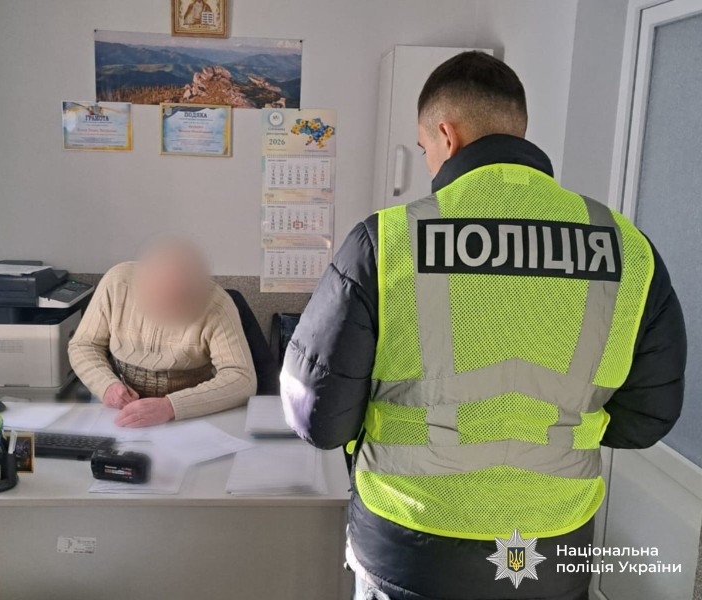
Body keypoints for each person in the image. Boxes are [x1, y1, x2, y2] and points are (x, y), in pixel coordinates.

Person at [280, 52, 686, 600]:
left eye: (423, 148)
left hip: (411, 543)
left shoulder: (388, 241)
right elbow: (646, 419)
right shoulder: (627, 248)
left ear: (446, 136)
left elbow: (319, 417)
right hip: (551, 546)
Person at [69, 239, 257, 428]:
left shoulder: (218, 305)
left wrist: (171, 406)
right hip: (119, 411)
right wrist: (107, 385)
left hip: (188, 418)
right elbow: (84, 345)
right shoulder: (117, 283)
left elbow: (242, 377)